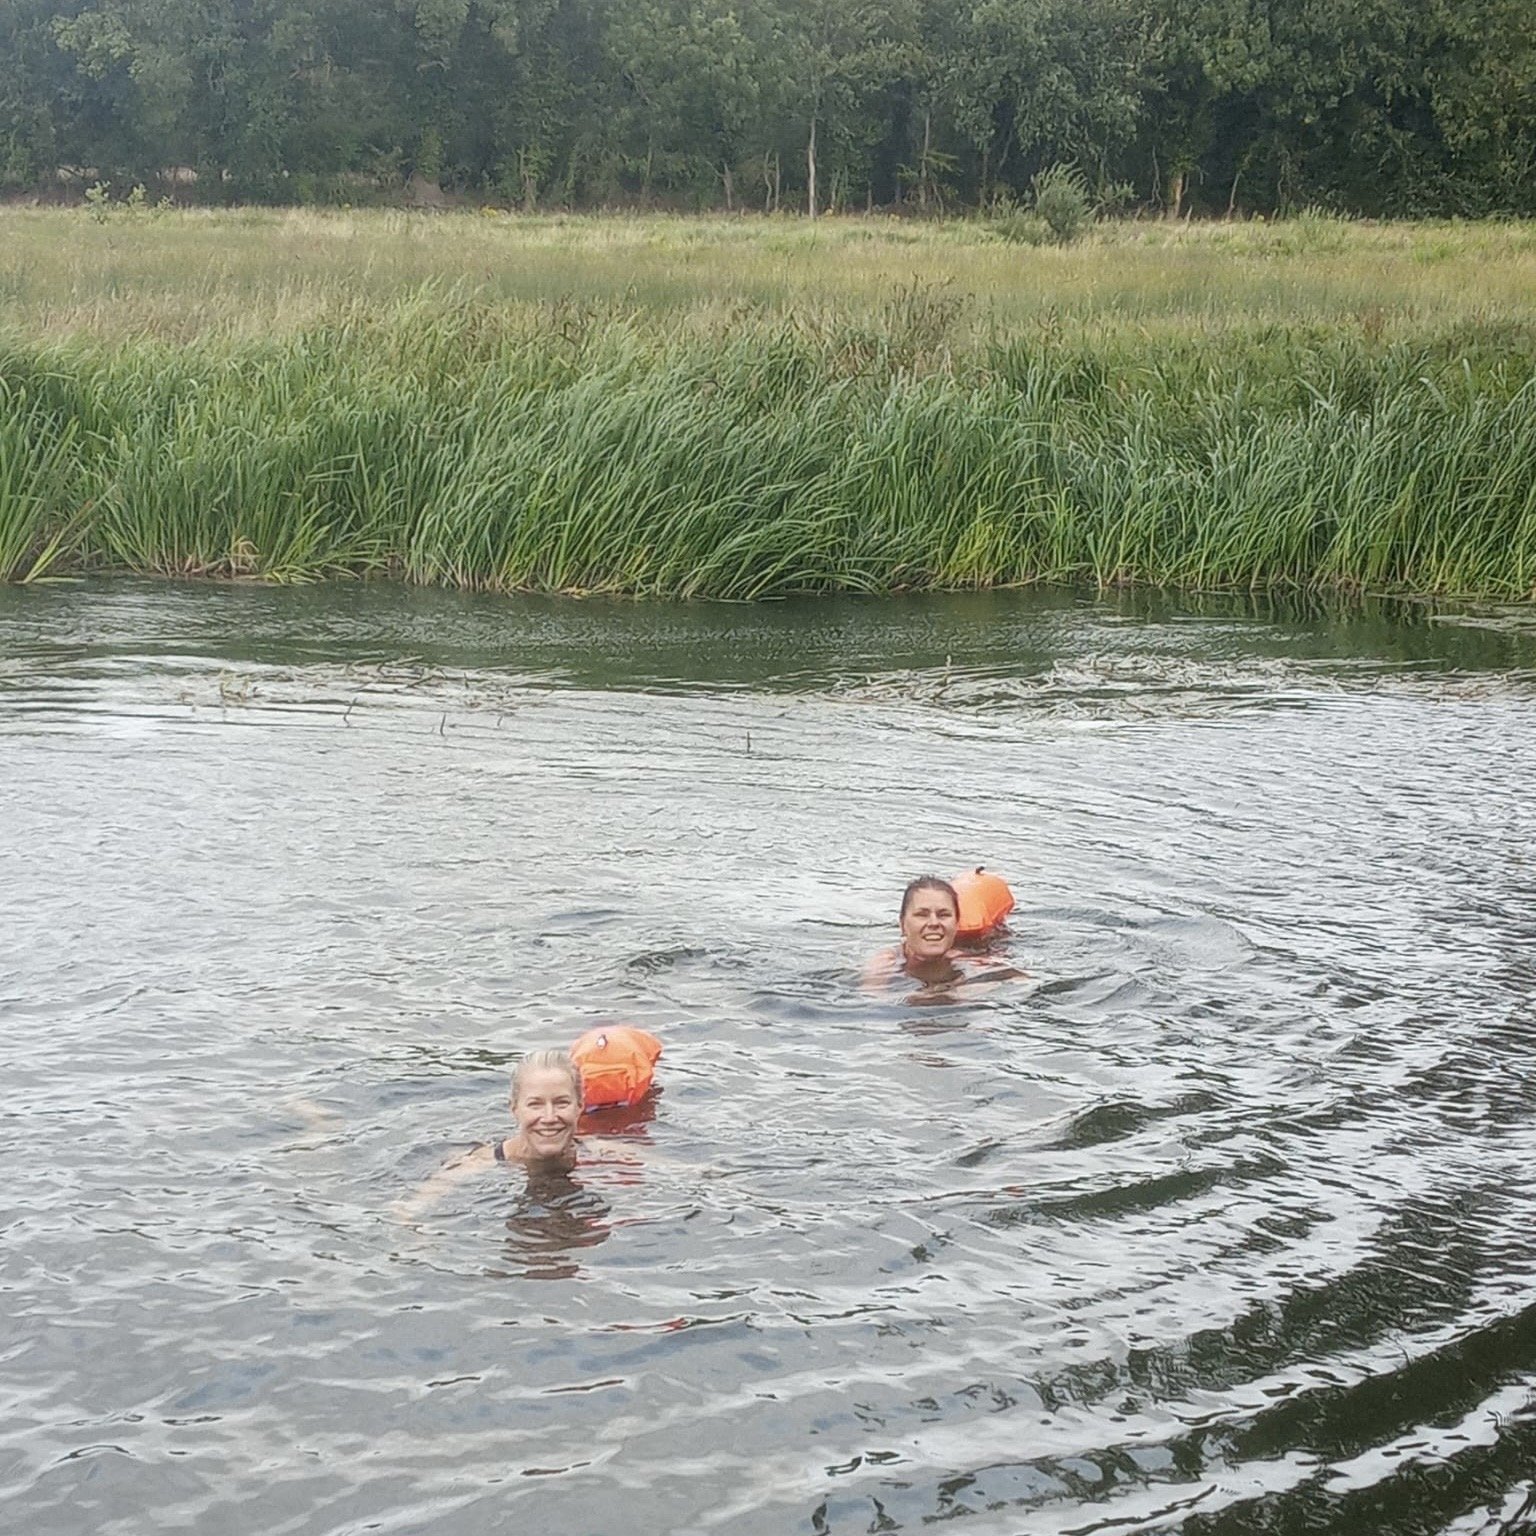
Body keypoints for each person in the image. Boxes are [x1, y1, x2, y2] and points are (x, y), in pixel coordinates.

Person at [395, 1049, 584, 1219]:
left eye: (561, 1103)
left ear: (579, 1107)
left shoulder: (600, 1153)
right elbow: (407, 1211)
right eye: (535, 1104)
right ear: (514, 1109)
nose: (549, 1117)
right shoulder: (479, 1163)